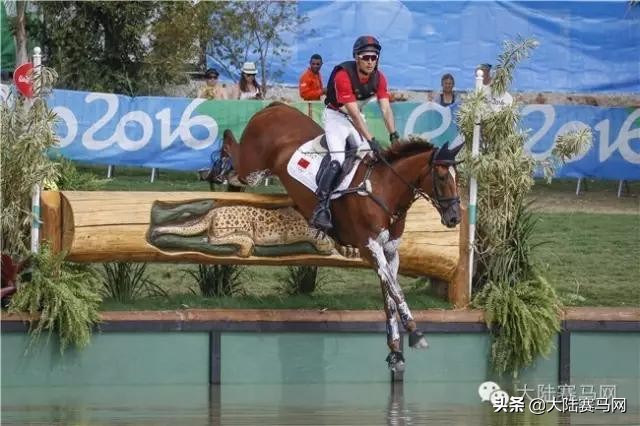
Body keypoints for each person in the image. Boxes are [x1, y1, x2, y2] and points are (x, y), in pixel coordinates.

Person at [310, 35, 399, 232]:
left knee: (368, 158)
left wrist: (394, 135)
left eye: (373, 58)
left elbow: (385, 109)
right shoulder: (343, 75)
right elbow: (353, 114)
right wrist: (371, 139)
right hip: (336, 117)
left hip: (356, 117)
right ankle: (321, 208)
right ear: (356, 57)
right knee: (338, 160)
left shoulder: (380, 78)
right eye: (366, 57)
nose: (370, 62)